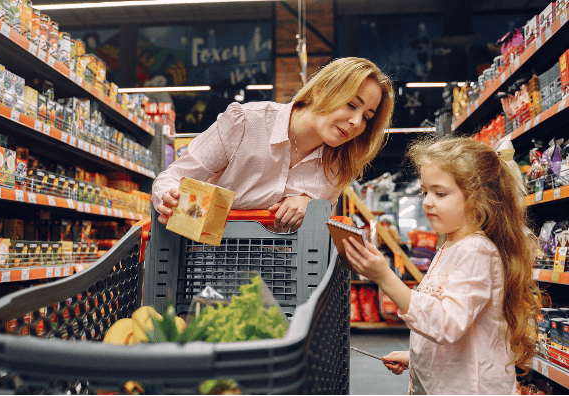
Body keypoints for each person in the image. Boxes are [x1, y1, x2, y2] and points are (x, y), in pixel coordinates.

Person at [342, 137, 540, 394]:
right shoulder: (451, 247)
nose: (426, 201)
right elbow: (458, 328)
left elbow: (447, 323)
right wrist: (417, 357)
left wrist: (384, 278)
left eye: (440, 193)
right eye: (424, 192)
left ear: (477, 199)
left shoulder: (477, 251)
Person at [152, 57, 395, 231]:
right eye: (352, 105)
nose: (356, 122)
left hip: (283, 280)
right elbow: (171, 178)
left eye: (367, 117)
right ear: (320, 93)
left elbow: (319, 240)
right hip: (206, 267)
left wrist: (311, 208)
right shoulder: (246, 123)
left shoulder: (337, 166)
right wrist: (172, 202)